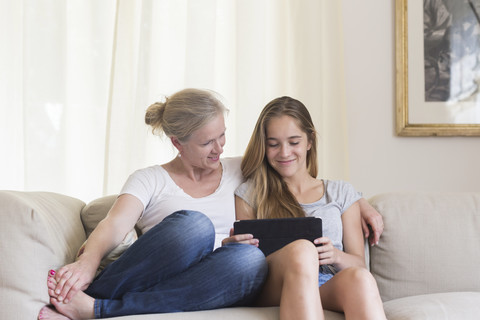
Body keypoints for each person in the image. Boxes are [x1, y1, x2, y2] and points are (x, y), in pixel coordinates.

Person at [38, 88, 268, 320]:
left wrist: (233, 245)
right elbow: (115, 223)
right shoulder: (149, 179)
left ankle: (98, 308)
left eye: (222, 135)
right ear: (178, 143)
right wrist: (87, 262)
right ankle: (94, 298)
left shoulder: (242, 169)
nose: (219, 148)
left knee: (249, 259)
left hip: (216, 281)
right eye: (207, 142)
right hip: (161, 274)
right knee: (195, 226)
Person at [234, 96, 387, 320]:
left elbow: (359, 264)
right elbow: (247, 263)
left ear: (309, 141)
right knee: (302, 251)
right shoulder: (251, 193)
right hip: (274, 284)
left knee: (361, 280)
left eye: (294, 142)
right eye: (273, 144)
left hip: (326, 281)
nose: (284, 153)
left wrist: (334, 255)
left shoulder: (341, 193)